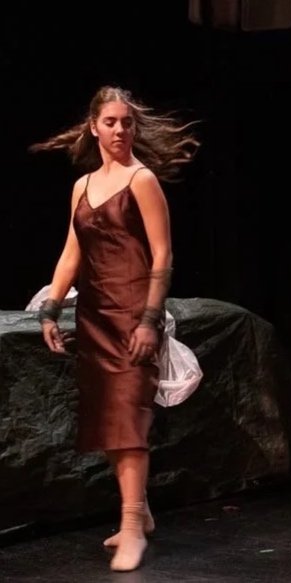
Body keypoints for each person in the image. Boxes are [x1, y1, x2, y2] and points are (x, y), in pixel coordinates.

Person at [30, 86, 199, 572]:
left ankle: (131, 528)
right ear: (94, 127)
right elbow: (72, 252)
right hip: (95, 316)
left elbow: (163, 255)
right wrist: (50, 309)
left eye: (127, 122)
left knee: (129, 419)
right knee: (107, 420)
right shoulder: (82, 187)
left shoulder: (141, 180)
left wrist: (150, 320)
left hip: (133, 313)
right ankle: (138, 511)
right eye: (111, 122)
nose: (121, 130)